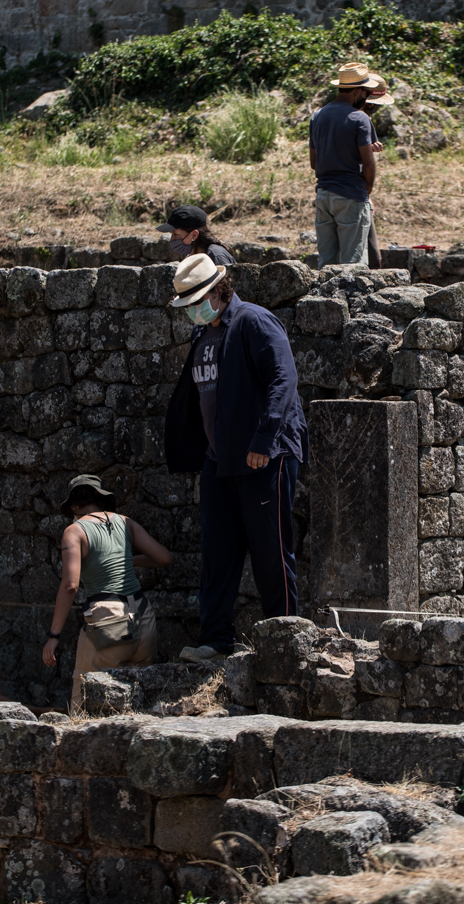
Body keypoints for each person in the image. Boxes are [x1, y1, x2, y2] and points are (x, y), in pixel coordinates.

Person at [163, 253, 309, 662]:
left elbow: (284, 379)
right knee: (217, 553)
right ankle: (216, 639)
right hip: (220, 460)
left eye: (196, 300)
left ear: (217, 290)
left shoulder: (254, 322)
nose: (192, 309)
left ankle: (283, 640)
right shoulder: (202, 336)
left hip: (265, 456)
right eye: (187, 304)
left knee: (271, 551)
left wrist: (263, 441)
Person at [41, 475, 171, 708]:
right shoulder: (126, 522)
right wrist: (127, 561)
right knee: (137, 701)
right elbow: (163, 558)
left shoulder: (75, 531)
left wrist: (53, 637)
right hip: (144, 618)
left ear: (73, 505)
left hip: (108, 621)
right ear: (101, 499)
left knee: (85, 698)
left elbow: (70, 585)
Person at [309, 62, 379, 266]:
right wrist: (367, 188)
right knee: (353, 264)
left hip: (323, 195)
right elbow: (368, 162)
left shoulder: (318, 116)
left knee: (326, 263)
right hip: (351, 195)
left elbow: (314, 163)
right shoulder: (359, 118)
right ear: (357, 91)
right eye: (366, 92)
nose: (366, 98)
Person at [356, 75, 392, 269]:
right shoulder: (360, 120)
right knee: (368, 256)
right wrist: (366, 194)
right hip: (356, 193)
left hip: (353, 190)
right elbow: (364, 164)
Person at [158, 204, 235, 266]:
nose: (172, 239)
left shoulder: (216, 255)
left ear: (194, 235)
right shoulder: (190, 258)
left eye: (175, 234)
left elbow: (228, 284)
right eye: (171, 234)